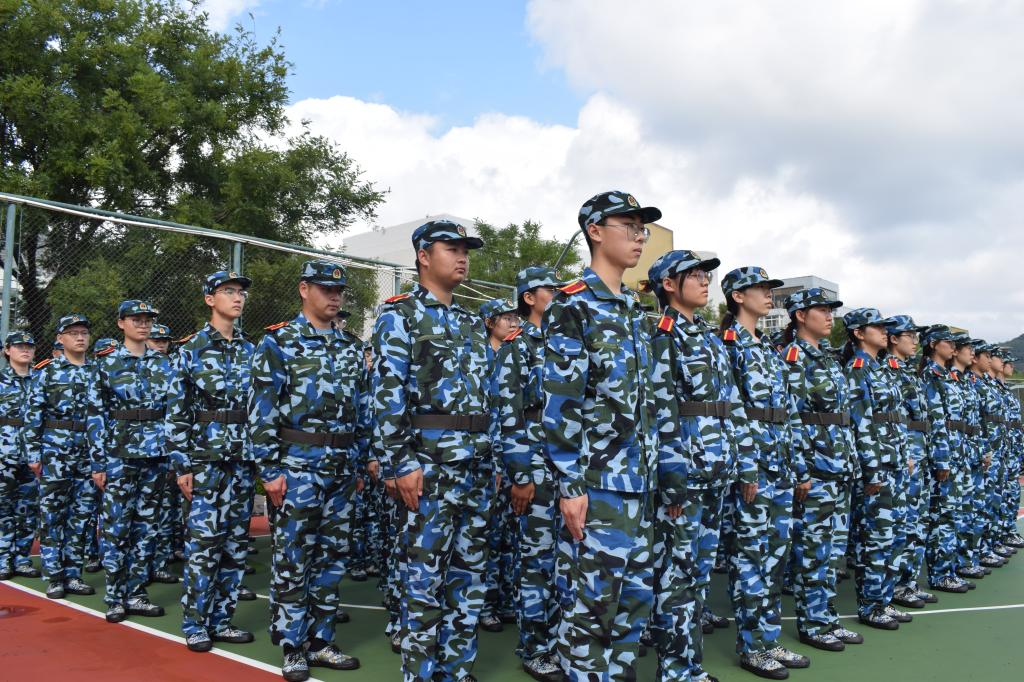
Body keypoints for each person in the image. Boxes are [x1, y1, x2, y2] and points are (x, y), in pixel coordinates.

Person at [542, 191, 684, 681]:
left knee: (633, 608)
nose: (640, 236)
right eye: (629, 226)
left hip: (640, 487)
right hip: (597, 487)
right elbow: (561, 403)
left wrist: (669, 475)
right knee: (591, 612)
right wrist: (570, 485)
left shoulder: (632, 310)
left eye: (643, 228)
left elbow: (655, 404)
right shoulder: (572, 305)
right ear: (596, 231)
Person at [372, 220, 493, 682]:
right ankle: (420, 674)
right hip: (429, 468)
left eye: (466, 250)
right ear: (423, 256)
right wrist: (400, 463)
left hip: (475, 467)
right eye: (451, 248)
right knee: (424, 582)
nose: (462, 257)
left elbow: (487, 397)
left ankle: (456, 671)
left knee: (470, 578)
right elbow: (388, 395)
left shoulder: (470, 322)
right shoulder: (399, 315)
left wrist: (493, 458)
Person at [249, 260, 366, 681]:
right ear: (304, 289)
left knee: (332, 559)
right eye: (324, 289)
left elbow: (363, 409)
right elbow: (261, 412)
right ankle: (292, 644)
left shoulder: (351, 346)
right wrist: (269, 470)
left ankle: (321, 641)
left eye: (339, 291)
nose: (334, 296)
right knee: (293, 558)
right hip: (296, 467)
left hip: (341, 468)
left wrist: (360, 459)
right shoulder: (278, 342)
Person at [644, 250, 742, 682]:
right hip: (684, 473)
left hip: (715, 470)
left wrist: (738, 463)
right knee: (677, 576)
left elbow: (729, 407)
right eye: (695, 275)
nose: (705, 281)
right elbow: (660, 412)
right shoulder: (663, 337)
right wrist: (672, 479)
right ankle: (677, 671)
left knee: (698, 575)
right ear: (669, 285)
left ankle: (688, 666)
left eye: (707, 275)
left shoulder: (708, 338)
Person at [718, 267, 805, 680]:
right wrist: (746, 467)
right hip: (753, 465)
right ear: (737, 295)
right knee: (751, 557)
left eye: (771, 289)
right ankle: (752, 646)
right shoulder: (729, 343)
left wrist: (797, 464)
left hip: (780, 463)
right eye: (761, 289)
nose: (769, 295)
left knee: (775, 556)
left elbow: (787, 411)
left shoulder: (767, 347)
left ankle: (769, 639)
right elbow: (731, 411)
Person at [167, 271, 257, 653]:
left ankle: (222, 620)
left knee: (236, 545)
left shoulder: (252, 349)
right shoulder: (191, 349)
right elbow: (176, 411)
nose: (237, 298)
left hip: (242, 461)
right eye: (228, 291)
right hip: (206, 461)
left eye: (240, 293)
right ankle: (195, 622)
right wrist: (182, 464)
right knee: (204, 545)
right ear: (209, 299)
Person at [781, 289, 864, 651]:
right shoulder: (794, 357)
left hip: (839, 467)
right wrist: (802, 470)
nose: (830, 316)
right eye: (821, 310)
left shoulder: (828, 359)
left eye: (831, 310)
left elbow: (843, 418)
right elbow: (793, 418)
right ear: (800, 315)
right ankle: (812, 624)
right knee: (813, 550)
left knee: (832, 553)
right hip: (816, 469)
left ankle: (828, 617)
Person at [492, 266, 564, 681]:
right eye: (549, 289)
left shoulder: (567, 343)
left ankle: (563, 641)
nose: (557, 294)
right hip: (535, 466)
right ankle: (536, 647)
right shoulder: (516, 347)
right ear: (529, 298)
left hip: (570, 468)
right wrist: (521, 476)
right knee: (537, 561)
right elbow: (508, 415)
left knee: (569, 561)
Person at [87, 300, 174, 623]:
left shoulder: (164, 363)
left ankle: (136, 593)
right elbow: (95, 416)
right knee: (116, 528)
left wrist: (173, 453)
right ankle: (114, 596)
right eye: (136, 319)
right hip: (119, 456)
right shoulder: (107, 364)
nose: (143, 324)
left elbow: (174, 411)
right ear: (121, 323)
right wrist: (98, 463)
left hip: (155, 456)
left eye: (147, 319)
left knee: (147, 527)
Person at [23, 316, 99, 599]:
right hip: (55, 451)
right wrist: (33, 454)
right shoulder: (48, 372)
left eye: (84, 333)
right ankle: (54, 575)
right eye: (73, 333)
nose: (80, 337)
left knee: (82, 515)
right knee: (53, 514)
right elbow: (33, 415)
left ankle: (73, 574)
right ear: (60, 338)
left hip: (88, 452)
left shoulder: (98, 372)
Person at [882, 315, 937, 607]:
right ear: (893, 339)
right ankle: (897, 585)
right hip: (907, 454)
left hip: (919, 452)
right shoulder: (888, 371)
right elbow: (894, 418)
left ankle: (909, 582)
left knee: (917, 522)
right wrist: (906, 454)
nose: (915, 341)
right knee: (903, 524)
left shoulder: (907, 371)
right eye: (909, 336)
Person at [918, 324, 973, 594]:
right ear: (933, 345)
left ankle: (949, 570)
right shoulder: (931, 375)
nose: (953, 347)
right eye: (947, 342)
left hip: (956, 452)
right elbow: (936, 422)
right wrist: (941, 460)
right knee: (942, 517)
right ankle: (940, 574)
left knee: (953, 515)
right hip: (944, 455)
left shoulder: (947, 376)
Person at [478, 297, 520, 633]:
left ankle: (506, 600)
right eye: (505, 317)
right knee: (488, 536)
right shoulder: (479, 356)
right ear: (489, 323)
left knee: (510, 535)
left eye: (514, 317)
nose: (512, 322)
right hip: (488, 458)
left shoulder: (516, 353)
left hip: (514, 454)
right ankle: (485, 603)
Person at [144, 322, 181, 586]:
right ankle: (139, 566)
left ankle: (161, 561)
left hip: (166, 449)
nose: (160, 344)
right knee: (141, 513)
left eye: (164, 341)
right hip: (138, 449)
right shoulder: (134, 365)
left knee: (165, 508)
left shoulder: (173, 368)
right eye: (156, 340)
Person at [948, 334, 988, 582]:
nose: (971, 353)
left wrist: (981, 450)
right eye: (967, 348)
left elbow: (974, 422)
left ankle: (965, 560)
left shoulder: (962, 381)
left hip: (967, 452)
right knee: (950, 515)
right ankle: (947, 569)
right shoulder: (942, 378)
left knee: (969, 510)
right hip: (953, 454)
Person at [0, 331, 39, 581]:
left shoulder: (42, 380)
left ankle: (22, 558)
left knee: (28, 507)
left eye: (29, 346)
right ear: (7, 350)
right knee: (3, 506)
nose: (25, 350)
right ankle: (3, 558)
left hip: (32, 453)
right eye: (19, 346)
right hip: (4, 453)